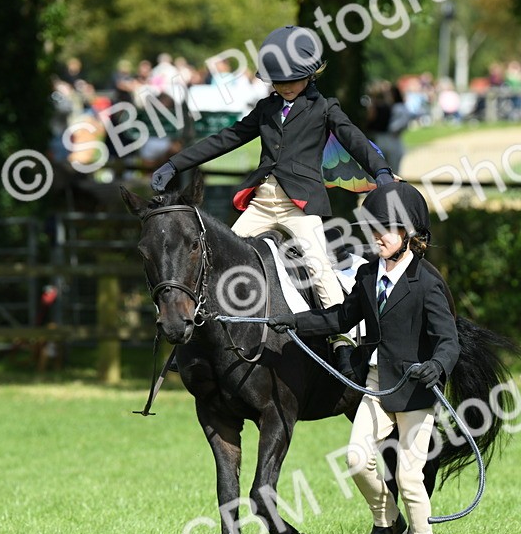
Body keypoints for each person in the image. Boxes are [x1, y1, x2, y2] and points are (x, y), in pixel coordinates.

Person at [151, 26, 393, 374]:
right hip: (263, 200)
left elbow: (353, 139)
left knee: (318, 266)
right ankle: (194, 337)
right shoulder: (266, 108)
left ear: (311, 74)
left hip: (301, 205)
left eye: (292, 80)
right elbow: (227, 138)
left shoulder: (324, 108)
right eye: (277, 82)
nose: (284, 87)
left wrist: (380, 172)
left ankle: (342, 341)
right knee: (216, 257)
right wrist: (175, 163)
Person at [266, 181, 459, 534]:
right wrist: (293, 321)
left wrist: (436, 367)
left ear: (409, 234)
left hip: (416, 390)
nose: (376, 236)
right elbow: (340, 317)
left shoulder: (427, 282)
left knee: (408, 475)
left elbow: (448, 341)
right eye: (372, 228)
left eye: (385, 229)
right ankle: (385, 522)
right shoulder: (369, 274)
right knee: (356, 459)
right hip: (376, 384)